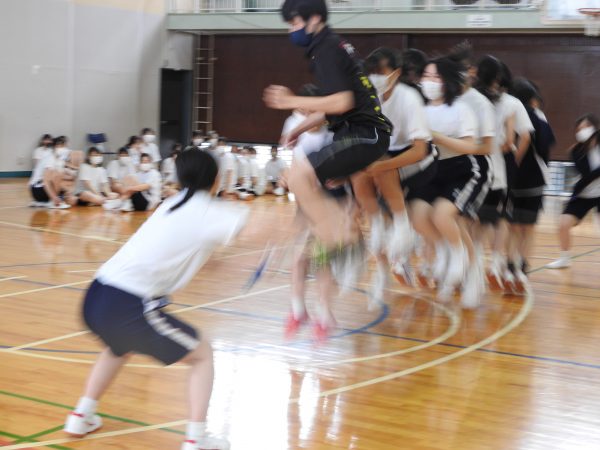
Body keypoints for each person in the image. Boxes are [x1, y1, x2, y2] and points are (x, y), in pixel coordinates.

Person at [63, 149, 247, 450]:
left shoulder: (171, 203)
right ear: (215, 179)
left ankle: (81, 415)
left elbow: (190, 251)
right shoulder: (210, 210)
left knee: (117, 347)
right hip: (128, 303)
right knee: (202, 355)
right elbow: (267, 230)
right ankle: (196, 440)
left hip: (97, 294)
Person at [264, 0, 392, 263]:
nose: (291, 31)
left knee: (299, 177)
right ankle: (341, 236)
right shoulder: (333, 46)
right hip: (358, 134)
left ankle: (344, 243)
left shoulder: (327, 50)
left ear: (314, 19)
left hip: (366, 134)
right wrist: (300, 127)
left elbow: (342, 102)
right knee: (302, 176)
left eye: (294, 23)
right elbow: (335, 105)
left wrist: (291, 101)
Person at [410, 57, 488, 306]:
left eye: (436, 77)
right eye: (426, 76)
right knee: (418, 215)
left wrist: (437, 136)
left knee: (445, 217)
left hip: (466, 169)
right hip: (434, 169)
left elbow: (471, 146)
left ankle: (469, 268)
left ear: (447, 81)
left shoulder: (461, 108)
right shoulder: (418, 109)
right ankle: (445, 253)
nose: (429, 82)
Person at [362, 47, 431, 300]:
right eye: (371, 73)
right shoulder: (367, 97)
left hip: (415, 163)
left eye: (380, 72)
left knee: (380, 162)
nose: (375, 78)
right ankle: (382, 267)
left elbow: (420, 150)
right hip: (386, 165)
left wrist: (381, 166)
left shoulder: (409, 98)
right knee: (361, 169)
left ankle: (404, 232)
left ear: (396, 73)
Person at [509, 78, 556, 285]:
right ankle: (522, 266)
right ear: (532, 99)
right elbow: (546, 144)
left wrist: (514, 164)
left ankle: (510, 264)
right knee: (527, 227)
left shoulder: (510, 113)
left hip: (512, 180)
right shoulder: (538, 116)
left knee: (512, 226)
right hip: (535, 180)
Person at [547, 114, 599, 269]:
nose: (581, 131)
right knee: (563, 223)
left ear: (594, 127)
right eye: (579, 129)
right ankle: (565, 258)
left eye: (585, 127)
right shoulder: (576, 151)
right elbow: (587, 173)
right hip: (585, 194)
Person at [28, 137, 72, 209]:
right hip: (37, 190)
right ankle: (52, 202)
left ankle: (41, 202)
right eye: (63, 146)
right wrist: (54, 198)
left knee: (70, 197)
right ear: (56, 147)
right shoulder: (50, 159)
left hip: (39, 191)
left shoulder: (58, 159)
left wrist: (67, 190)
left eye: (66, 146)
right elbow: (46, 181)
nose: (65, 149)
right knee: (59, 173)